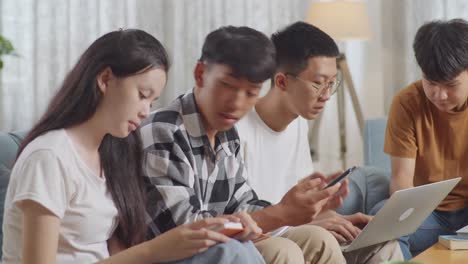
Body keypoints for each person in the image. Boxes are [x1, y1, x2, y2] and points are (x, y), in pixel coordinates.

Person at [2, 29, 264, 264]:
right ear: (105, 79)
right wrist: (154, 250)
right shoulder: (49, 157)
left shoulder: (111, 155)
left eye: (152, 101)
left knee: (238, 250)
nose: (145, 112)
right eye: (142, 95)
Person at [141, 25, 355, 264]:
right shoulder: (165, 130)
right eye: (228, 86)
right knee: (284, 251)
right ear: (201, 74)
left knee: (319, 240)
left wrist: (297, 206)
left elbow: (242, 202)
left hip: (222, 245)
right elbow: (183, 231)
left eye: (251, 92)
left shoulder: (226, 132)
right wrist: (281, 213)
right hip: (177, 255)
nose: (237, 103)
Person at [236, 21, 403, 263]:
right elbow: (246, 216)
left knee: (384, 245)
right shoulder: (238, 131)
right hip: (266, 237)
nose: (326, 95)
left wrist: (331, 216)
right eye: (317, 83)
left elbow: (300, 202)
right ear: (282, 81)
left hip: (295, 230)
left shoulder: (298, 124)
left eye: (331, 83)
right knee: (315, 241)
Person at [374, 18, 468, 260]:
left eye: (450, 85)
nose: (439, 95)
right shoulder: (407, 103)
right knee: (381, 219)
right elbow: (401, 180)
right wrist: (400, 219)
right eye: (430, 82)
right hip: (429, 215)